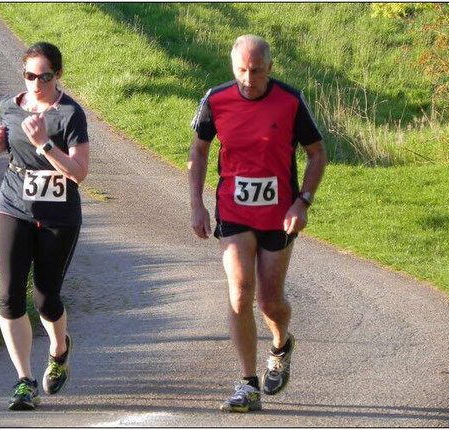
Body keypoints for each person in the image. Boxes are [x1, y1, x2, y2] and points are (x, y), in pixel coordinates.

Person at [188, 35, 327, 413]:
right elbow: (199, 151)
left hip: (278, 215)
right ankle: (247, 383)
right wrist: (197, 204)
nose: (249, 79)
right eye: (242, 71)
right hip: (233, 210)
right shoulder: (215, 100)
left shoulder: (290, 101)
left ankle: (281, 345)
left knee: (270, 300)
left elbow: (317, 154)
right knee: (240, 291)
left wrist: (303, 202)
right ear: (233, 67)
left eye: (257, 71)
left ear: (270, 68)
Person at [0, 42, 90, 411]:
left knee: (46, 297)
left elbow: (78, 174)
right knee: (10, 295)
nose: (36, 83)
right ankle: (24, 381)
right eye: (30, 75)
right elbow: (10, 146)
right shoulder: (10, 107)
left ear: (57, 75)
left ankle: (59, 350)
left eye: (44, 76)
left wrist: (44, 143)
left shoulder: (70, 115)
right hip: (13, 206)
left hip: (59, 215)